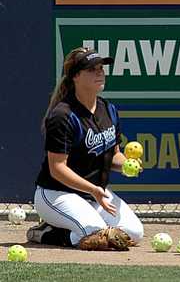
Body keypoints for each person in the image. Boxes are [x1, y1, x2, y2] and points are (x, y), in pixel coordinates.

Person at [26, 47, 143, 250]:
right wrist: (94, 190)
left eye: (101, 67)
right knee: (94, 232)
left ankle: (79, 224)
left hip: (93, 194)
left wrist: (127, 165)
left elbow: (114, 155)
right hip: (56, 193)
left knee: (134, 233)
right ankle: (48, 232)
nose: (99, 72)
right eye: (91, 69)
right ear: (76, 77)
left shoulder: (108, 109)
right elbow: (57, 169)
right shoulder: (63, 115)